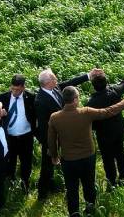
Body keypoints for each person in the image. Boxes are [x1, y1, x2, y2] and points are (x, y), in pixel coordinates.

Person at [47, 86, 124, 217]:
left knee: (71, 188)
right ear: (75, 100)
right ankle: (90, 209)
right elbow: (109, 111)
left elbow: (51, 140)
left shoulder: (55, 117)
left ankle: (74, 215)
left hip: (69, 159)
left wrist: (54, 156)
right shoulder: (86, 112)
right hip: (87, 157)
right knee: (89, 184)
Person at [86, 51, 124, 187]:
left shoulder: (91, 103)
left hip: (103, 134)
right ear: (106, 82)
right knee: (120, 152)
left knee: (107, 158)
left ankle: (111, 181)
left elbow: (91, 123)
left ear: (93, 85)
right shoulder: (115, 91)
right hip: (118, 129)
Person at [34, 67, 89, 198]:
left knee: (55, 162)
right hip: (51, 138)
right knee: (47, 164)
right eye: (54, 78)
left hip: (62, 134)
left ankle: (51, 184)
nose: (57, 79)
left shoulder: (55, 88)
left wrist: (88, 75)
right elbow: (42, 126)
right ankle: (42, 192)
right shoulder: (40, 101)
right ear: (47, 82)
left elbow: (70, 82)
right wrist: (48, 144)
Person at [0, 74, 36, 191]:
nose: (15, 92)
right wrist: (0, 115)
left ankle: (25, 182)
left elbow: (34, 116)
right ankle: (11, 180)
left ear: (23, 87)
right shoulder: (2, 98)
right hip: (9, 137)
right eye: (13, 88)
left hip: (26, 136)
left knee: (26, 161)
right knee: (10, 160)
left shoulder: (31, 97)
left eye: (18, 90)